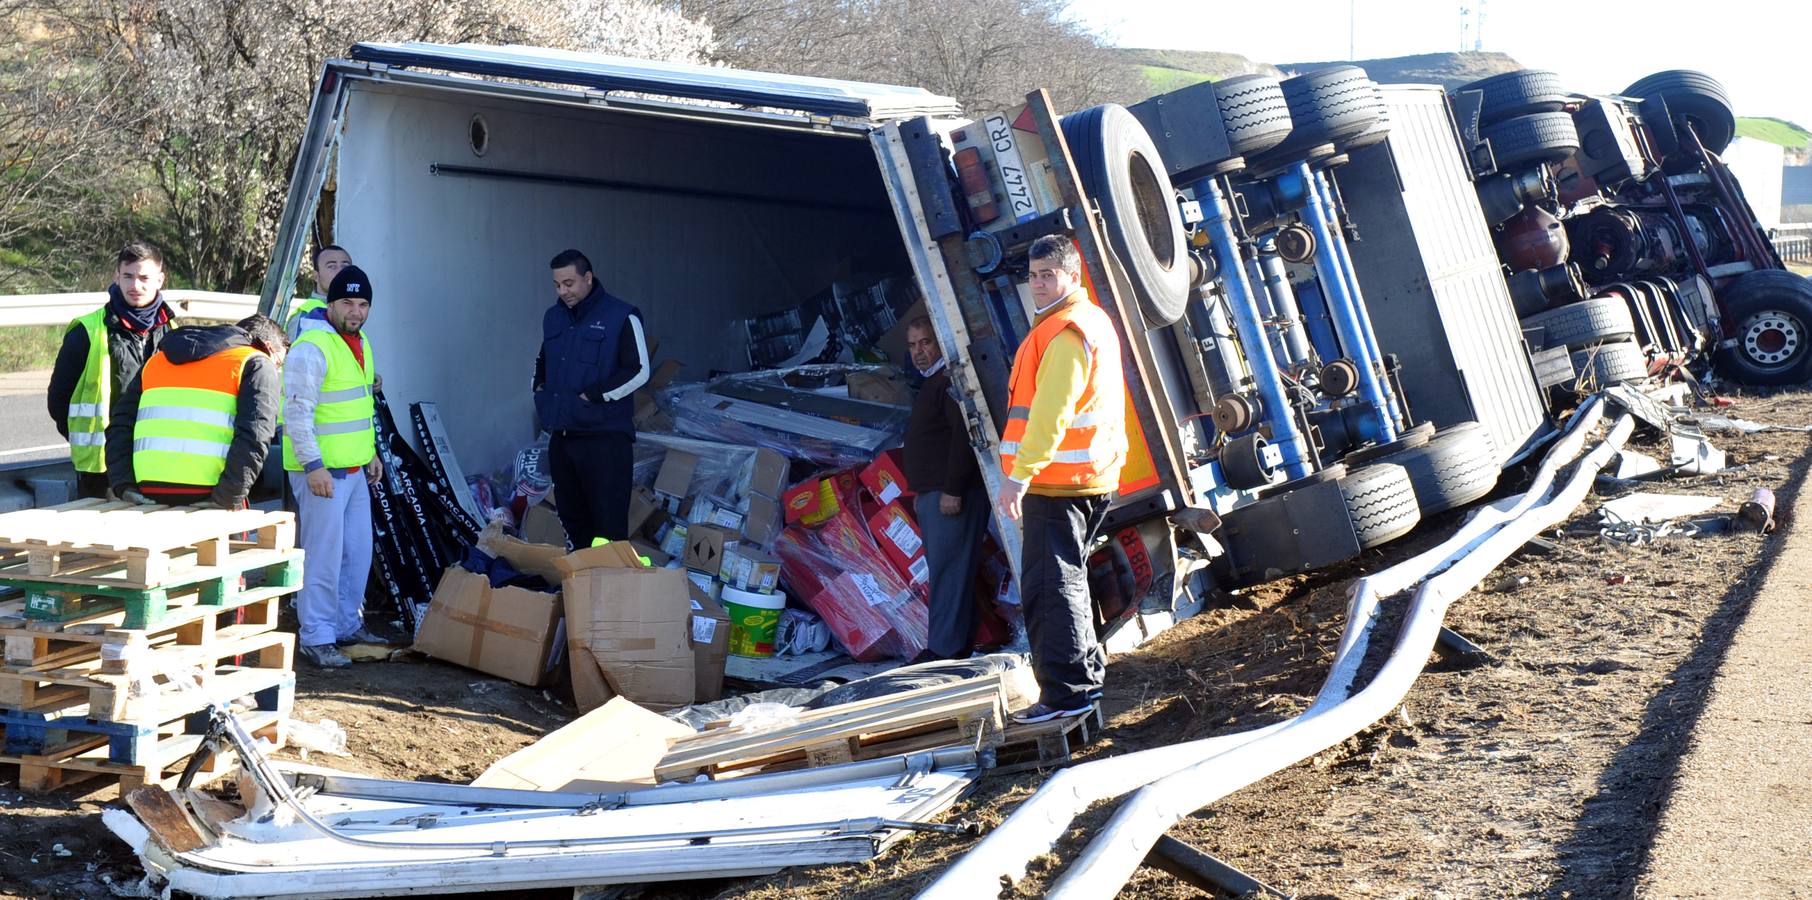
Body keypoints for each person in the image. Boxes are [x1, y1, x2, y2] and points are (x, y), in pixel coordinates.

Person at [996, 235, 1128, 724]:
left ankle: (1067, 695)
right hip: (1081, 477)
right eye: (1033, 275)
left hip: (1058, 484)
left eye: (1047, 275)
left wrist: (1020, 475)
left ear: (1072, 276)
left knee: (1050, 589)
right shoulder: (1083, 323)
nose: (1037, 284)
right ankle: (1083, 682)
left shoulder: (1065, 332)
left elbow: (1050, 416)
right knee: (1067, 580)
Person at [283, 266, 383, 669]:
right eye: (347, 302)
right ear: (331, 303)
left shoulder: (360, 343)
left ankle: (346, 625)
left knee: (357, 553)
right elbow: (296, 413)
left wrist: (370, 452)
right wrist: (313, 466)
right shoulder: (312, 347)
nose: (356, 311)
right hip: (322, 473)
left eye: (363, 304)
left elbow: (359, 407)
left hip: (354, 470)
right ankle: (318, 636)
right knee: (323, 556)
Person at [105, 316, 287, 508]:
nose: (275, 368)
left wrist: (124, 485)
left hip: (148, 491)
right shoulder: (255, 362)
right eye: (278, 363)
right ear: (268, 347)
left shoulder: (156, 362)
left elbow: (120, 425)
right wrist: (228, 496)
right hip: (212, 493)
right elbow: (256, 434)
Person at [533, 248, 649, 548]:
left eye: (569, 283)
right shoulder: (553, 317)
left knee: (608, 527)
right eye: (557, 285)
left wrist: (593, 395)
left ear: (588, 277)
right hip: (563, 438)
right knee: (572, 521)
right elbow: (544, 359)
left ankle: (609, 577)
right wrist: (539, 389)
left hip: (604, 439)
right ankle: (580, 576)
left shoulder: (622, 316)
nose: (563, 291)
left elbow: (639, 370)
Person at [46, 243, 179, 499]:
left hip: (155, 463)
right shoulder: (87, 331)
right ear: (116, 276)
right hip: (102, 471)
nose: (135, 285)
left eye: (144, 278)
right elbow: (59, 400)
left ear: (160, 280)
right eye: (128, 276)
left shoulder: (172, 331)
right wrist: (86, 442)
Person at [901, 316, 987, 662]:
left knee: (948, 572)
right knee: (953, 571)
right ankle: (957, 645)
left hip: (950, 496)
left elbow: (963, 437)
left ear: (939, 341)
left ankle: (940, 651)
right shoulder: (932, 383)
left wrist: (952, 489)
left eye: (925, 342)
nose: (919, 352)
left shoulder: (947, 381)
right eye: (912, 345)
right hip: (936, 494)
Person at [286, 245, 352, 342]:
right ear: (316, 276)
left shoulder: (355, 311)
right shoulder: (306, 316)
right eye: (332, 266)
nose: (340, 272)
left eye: (345, 266)